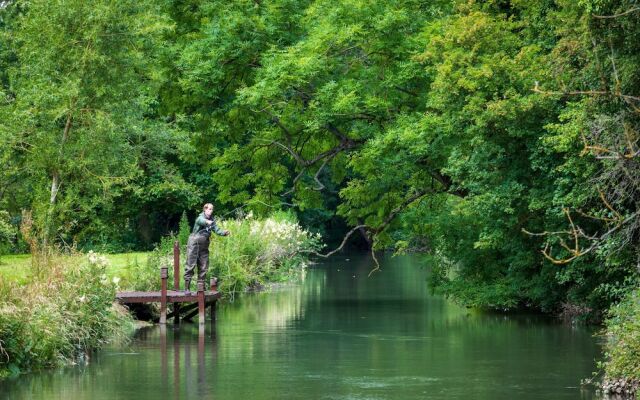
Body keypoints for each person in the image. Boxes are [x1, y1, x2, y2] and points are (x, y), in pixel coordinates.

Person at [184, 203, 229, 294]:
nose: (210, 211)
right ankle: (187, 289)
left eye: (212, 209)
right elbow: (200, 221)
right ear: (204, 209)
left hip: (204, 246)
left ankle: (200, 289)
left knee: (204, 266)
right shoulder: (200, 217)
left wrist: (224, 232)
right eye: (209, 209)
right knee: (190, 265)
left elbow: (217, 229)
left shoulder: (212, 220)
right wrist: (207, 222)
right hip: (194, 244)